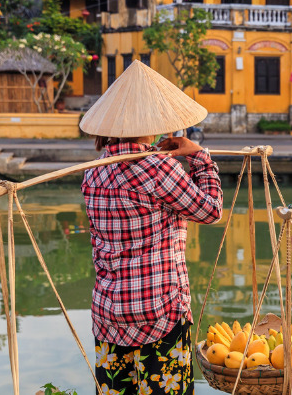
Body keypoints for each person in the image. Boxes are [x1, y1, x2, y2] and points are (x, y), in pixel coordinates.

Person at [80, 60, 221, 395]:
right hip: (159, 312)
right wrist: (199, 156)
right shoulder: (158, 168)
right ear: (153, 122)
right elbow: (211, 210)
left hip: (109, 313)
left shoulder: (93, 171)